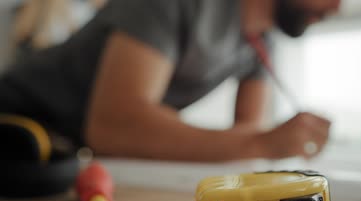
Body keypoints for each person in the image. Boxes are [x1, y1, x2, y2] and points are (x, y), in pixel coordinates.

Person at [0, 0, 339, 162]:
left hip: (66, 151)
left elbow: (247, 137)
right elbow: (113, 127)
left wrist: (271, 142)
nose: (337, 7)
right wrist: (262, 143)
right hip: (16, 120)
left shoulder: (262, 44)